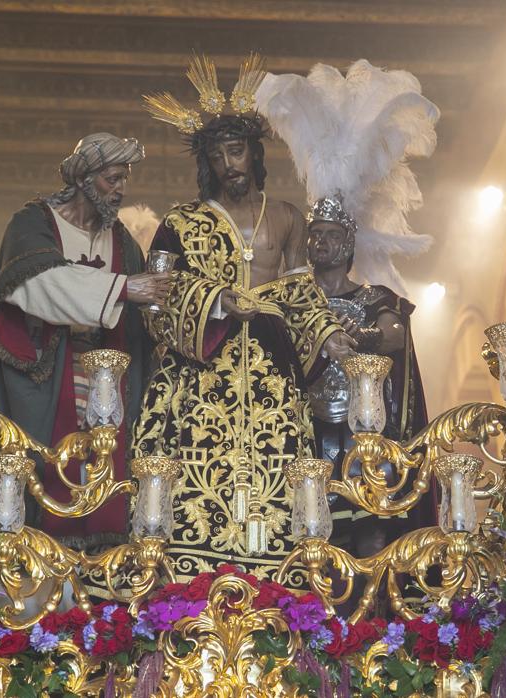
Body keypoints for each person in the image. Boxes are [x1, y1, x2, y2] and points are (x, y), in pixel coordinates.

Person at [133, 54, 354, 579]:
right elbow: (156, 300)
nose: (229, 164)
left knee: (278, 482)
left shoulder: (286, 217)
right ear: (206, 165)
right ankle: (185, 581)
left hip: (272, 373)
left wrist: (329, 337)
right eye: (217, 157)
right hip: (199, 373)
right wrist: (215, 298)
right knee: (188, 477)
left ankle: (277, 582)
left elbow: (302, 293)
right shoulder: (181, 224)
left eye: (236, 151)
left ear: (255, 154)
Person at [258, 59, 438, 557]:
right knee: (308, 532)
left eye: (332, 236)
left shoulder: (375, 296)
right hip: (304, 424)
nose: (321, 245)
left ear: (349, 243)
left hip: (365, 426)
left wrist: (356, 341)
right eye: (314, 236)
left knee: (370, 528)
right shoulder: (293, 300)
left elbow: (395, 333)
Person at [0, 132, 170, 548]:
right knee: (38, 473)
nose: (120, 189)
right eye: (112, 179)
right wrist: (123, 289)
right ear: (84, 179)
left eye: (124, 180)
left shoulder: (122, 241)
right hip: (48, 378)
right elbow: (34, 282)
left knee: (103, 477)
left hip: (107, 382)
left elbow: (139, 322)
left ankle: (100, 568)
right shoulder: (33, 223)